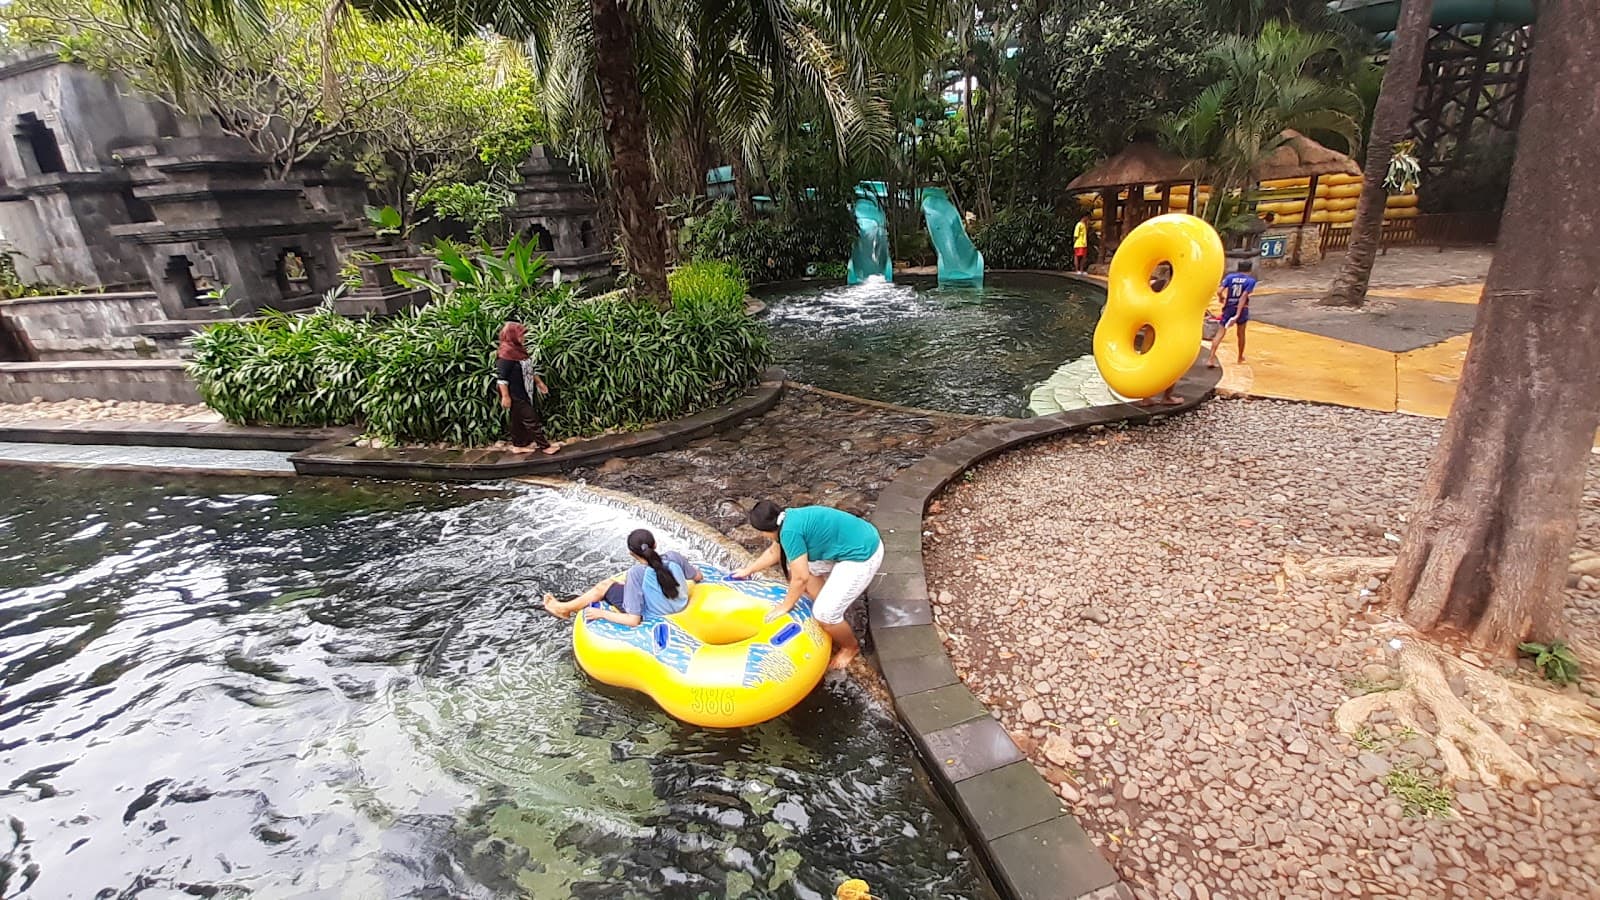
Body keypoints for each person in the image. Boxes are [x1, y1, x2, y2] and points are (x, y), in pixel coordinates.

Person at [733, 500, 883, 670]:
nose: (762, 536)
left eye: (762, 533)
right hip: (855, 539)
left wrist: (786, 605)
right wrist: (748, 570)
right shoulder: (787, 519)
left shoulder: (789, 532)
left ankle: (850, 647)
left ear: (767, 529)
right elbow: (775, 552)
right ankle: (829, 610)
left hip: (863, 555)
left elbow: (800, 578)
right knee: (800, 568)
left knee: (824, 614)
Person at [544, 528, 702, 626]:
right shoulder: (674, 557)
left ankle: (564, 609)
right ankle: (564, 608)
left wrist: (602, 614)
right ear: (655, 545)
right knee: (621, 584)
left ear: (632, 554)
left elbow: (634, 620)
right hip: (681, 605)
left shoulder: (636, 573)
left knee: (604, 586)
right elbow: (697, 576)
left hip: (655, 613)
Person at [496, 322, 560, 455]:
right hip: (516, 393)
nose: (523, 337)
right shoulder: (506, 354)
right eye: (521, 335)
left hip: (526, 389)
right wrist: (505, 396)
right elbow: (502, 379)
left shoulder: (519, 350)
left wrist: (539, 383)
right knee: (531, 419)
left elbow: (529, 369)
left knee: (517, 419)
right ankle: (545, 446)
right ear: (512, 335)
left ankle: (518, 445)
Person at [1206, 259, 1257, 368]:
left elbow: (1219, 291)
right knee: (1241, 334)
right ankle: (1240, 357)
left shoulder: (1230, 278)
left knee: (1220, 333)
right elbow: (1243, 297)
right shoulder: (1250, 281)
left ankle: (1211, 358)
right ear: (1249, 269)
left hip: (1228, 307)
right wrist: (1238, 314)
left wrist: (1221, 297)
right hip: (1242, 309)